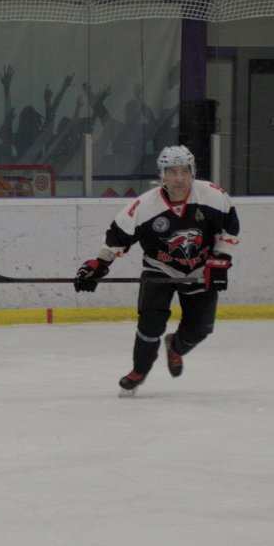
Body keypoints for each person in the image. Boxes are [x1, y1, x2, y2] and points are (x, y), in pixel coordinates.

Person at [74, 145, 239, 395]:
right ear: (162, 175)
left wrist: (219, 262)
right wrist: (98, 265)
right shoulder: (144, 206)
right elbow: (117, 238)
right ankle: (139, 371)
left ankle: (176, 346)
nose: (179, 178)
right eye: (172, 172)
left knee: (200, 329)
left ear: (193, 172)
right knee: (150, 325)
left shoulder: (213, 197)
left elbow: (230, 230)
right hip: (159, 270)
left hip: (199, 269)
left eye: (184, 171)